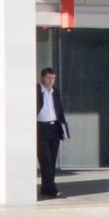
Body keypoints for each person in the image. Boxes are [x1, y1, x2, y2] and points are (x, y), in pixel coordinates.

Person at [37, 67, 70, 200]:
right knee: (45, 160)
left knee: (51, 160)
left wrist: (65, 132)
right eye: (48, 78)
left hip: (54, 128)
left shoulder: (55, 92)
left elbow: (60, 111)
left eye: (53, 78)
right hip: (41, 128)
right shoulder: (36, 91)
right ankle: (52, 188)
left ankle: (46, 188)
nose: (51, 81)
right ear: (42, 77)